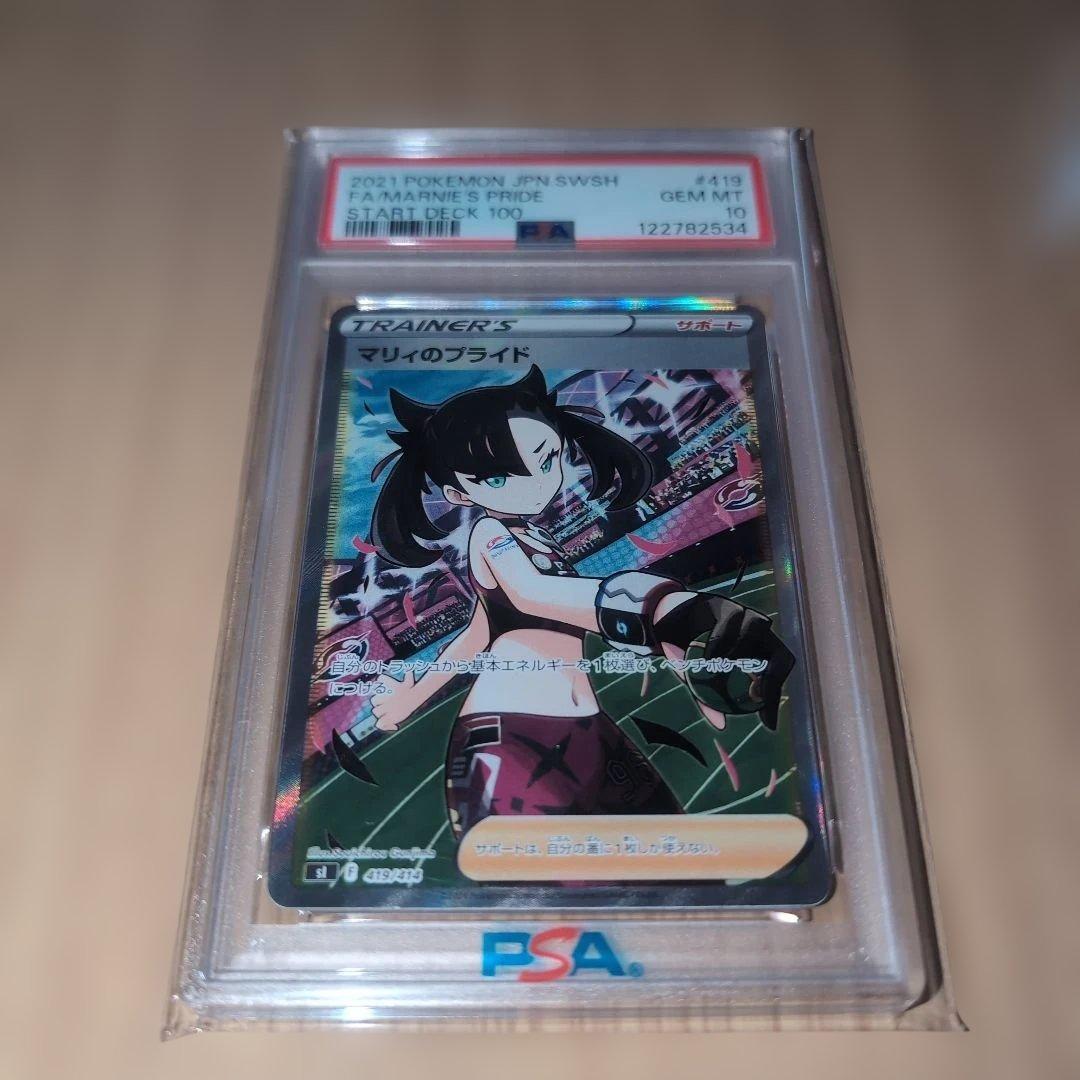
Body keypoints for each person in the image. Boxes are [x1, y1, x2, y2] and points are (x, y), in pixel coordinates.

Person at [366, 365, 792, 837]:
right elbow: (534, 593)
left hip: (587, 727)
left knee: (668, 852)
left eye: (547, 460)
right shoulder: (490, 534)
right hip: (512, 737)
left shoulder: (536, 537)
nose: (535, 482)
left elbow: (478, 631)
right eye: (500, 478)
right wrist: (664, 610)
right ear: (456, 493)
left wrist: (411, 697)